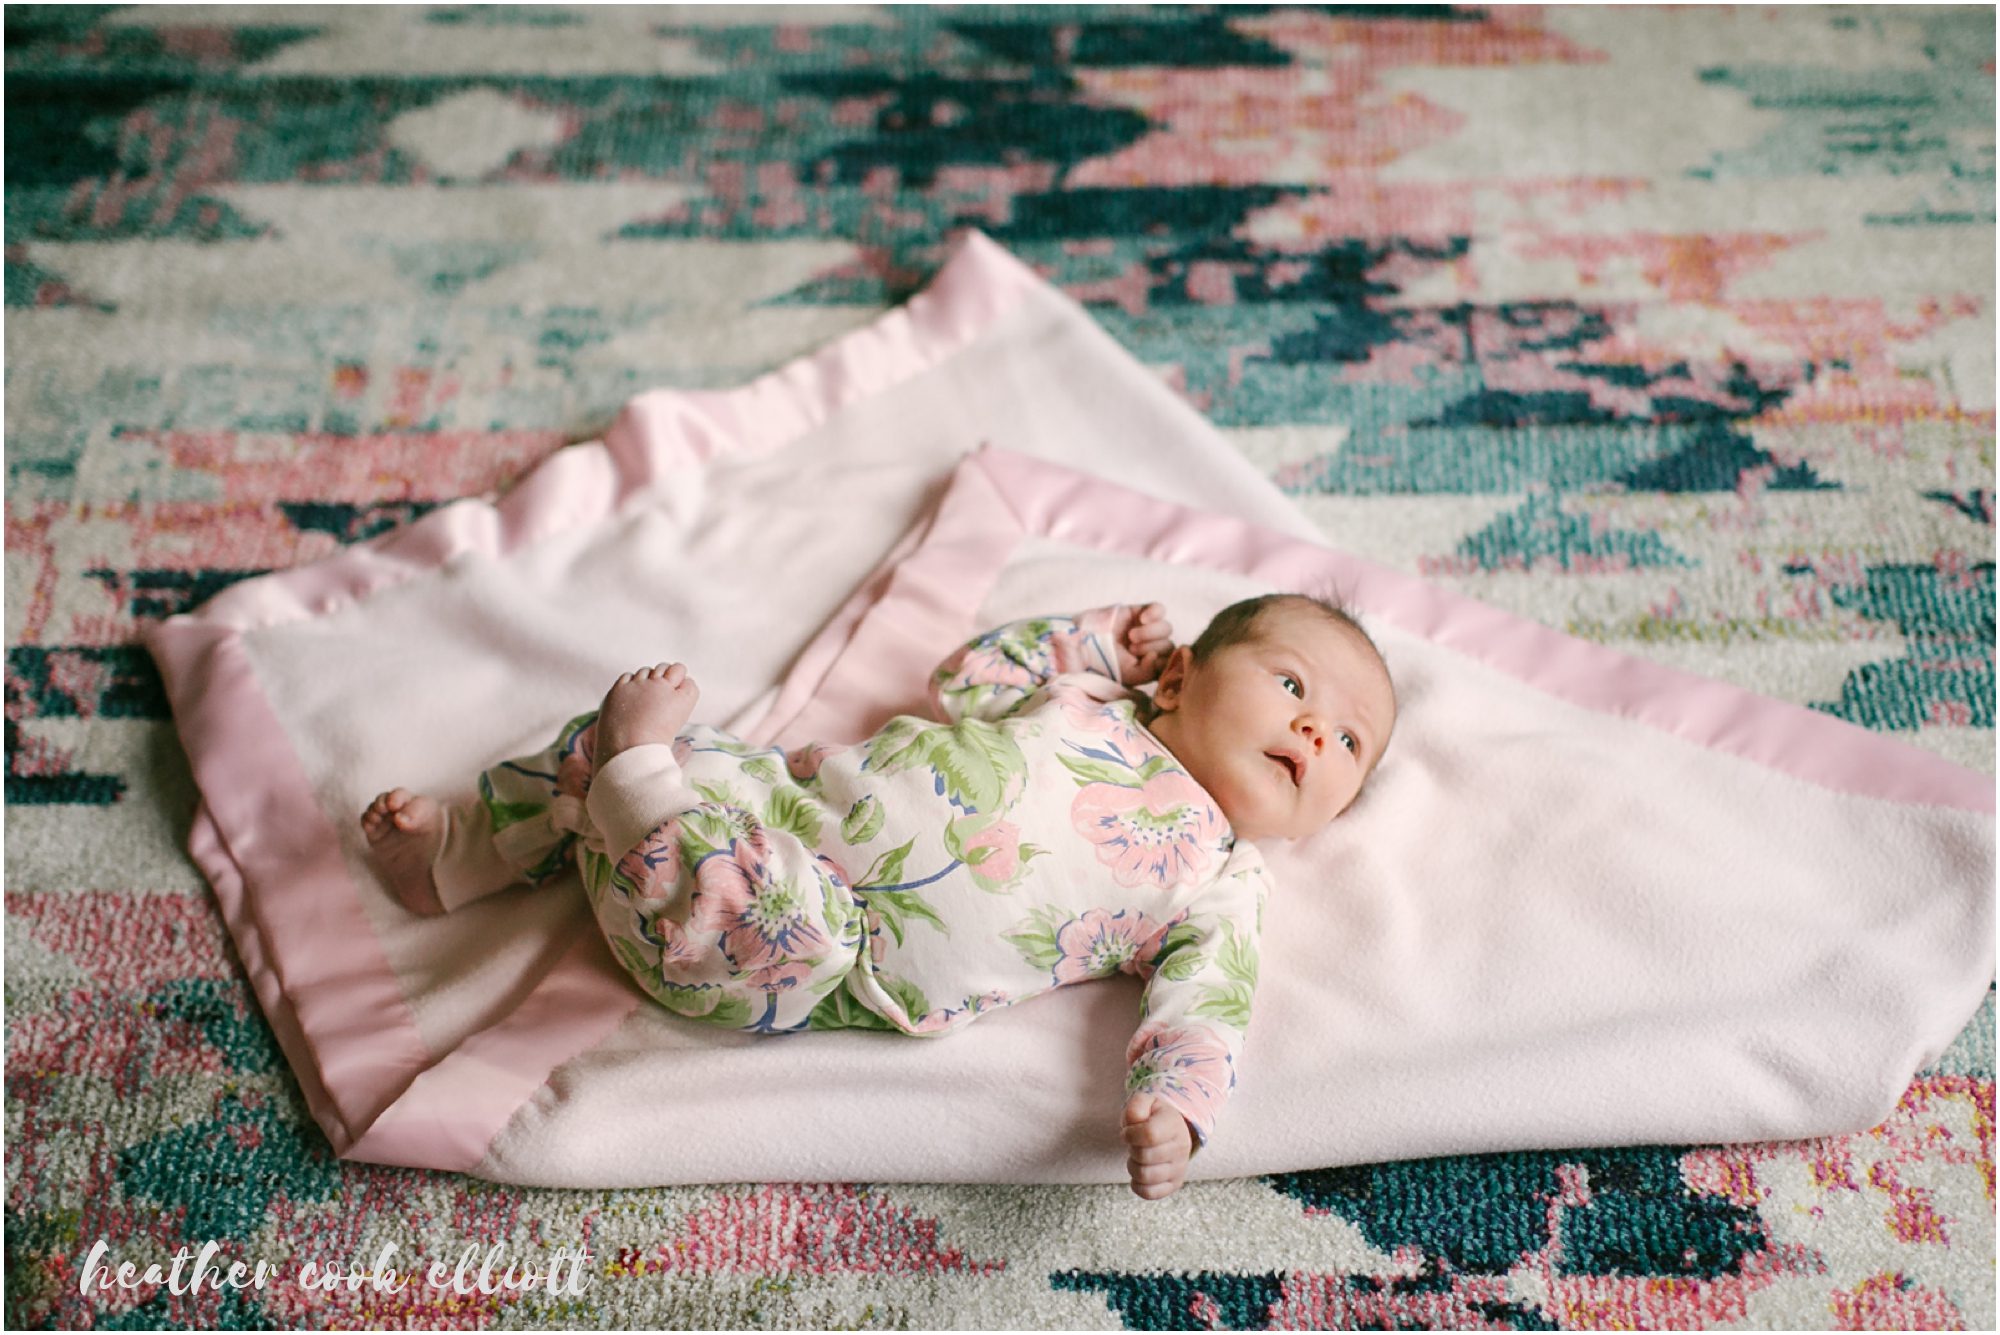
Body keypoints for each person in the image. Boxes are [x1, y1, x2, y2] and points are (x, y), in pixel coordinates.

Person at [362, 594, 1396, 1199]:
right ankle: (463, 853)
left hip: (816, 951)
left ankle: (630, 794)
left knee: (789, 924)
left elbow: (1207, 1005)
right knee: (690, 756)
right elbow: (965, 678)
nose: (1314, 732)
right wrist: (1085, 644)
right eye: (1293, 686)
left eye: (1347, 742)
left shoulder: (1219, 876)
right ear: (1174, 681)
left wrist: (1178, 1106)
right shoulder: (1083, 698)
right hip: (787, 801)